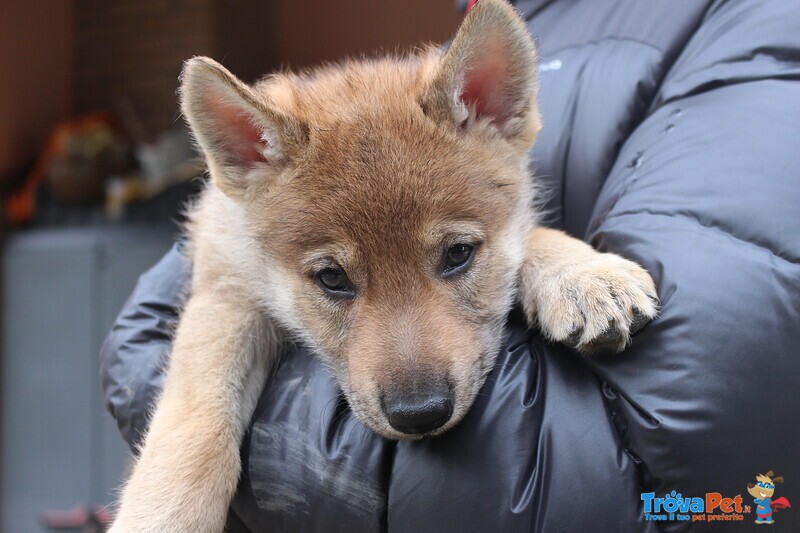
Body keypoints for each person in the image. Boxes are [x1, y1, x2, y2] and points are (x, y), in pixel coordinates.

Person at [101, 0, 800, 530]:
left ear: (498, 108)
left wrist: (550, 258)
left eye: (456, 254)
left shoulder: (744, 32)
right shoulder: (267, 192)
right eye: (334, 278)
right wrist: (191, 458)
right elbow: (221, 294)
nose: (411, 376)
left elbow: (516, 232)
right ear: (245, 156)